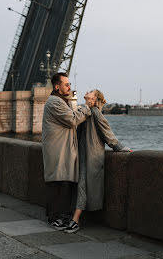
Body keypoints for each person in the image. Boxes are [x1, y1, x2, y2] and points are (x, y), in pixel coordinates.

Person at [64, 89, 131, 233]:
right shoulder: (85, 110)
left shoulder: (95, 112)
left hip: (91, 156)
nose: (87, 91)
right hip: (82, 154)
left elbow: (108, 133)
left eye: (91, 92)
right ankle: (73, 217)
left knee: (82, 185)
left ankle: (75, 220)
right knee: (79, 185)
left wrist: (121, 148)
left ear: (94, 99)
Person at [42, 73, 95, 230]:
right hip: (58, 150)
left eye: (69, 84)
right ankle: (54, 218)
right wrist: (87, 107)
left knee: (61, 183)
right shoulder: (54, 103)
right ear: (57, 87)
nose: (70, 87)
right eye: (66, 84)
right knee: (58, 184)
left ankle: (59, 216)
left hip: (62, 149)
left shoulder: (59, 101)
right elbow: (72, 120)